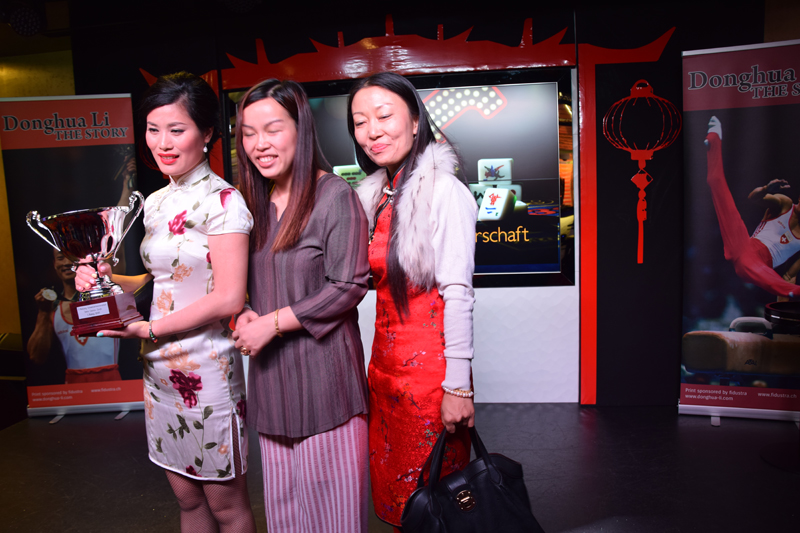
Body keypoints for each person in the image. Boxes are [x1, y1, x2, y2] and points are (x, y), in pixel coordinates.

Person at [75, 72, 256, 533]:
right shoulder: (155, 202)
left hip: (205, 369)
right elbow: (158, 280)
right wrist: (103, 279)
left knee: (226, 506)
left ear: (207, 133)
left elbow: (229, 296)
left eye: (177, 129)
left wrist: (151, 329)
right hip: (158, 369)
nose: (162, 143)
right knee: (187, 500)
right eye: (153, 130)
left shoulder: (225, 201)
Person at [231, 79, 370, 532]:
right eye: (249, 133)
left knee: (334, 521)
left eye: (273, 129)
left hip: (326, 385)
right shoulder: (251, 203)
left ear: (301, 129)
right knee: (285, 520)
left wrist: (270, 323)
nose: (260, 144)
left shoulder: (335, 196)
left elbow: (348, 285)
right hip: (272, 389)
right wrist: (243, 310)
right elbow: (245, 282)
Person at [347, 72, 478, 528]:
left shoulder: (444, 191)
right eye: (360, 122)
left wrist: (457, 387)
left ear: (416, 120)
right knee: (397, 504)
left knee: (435, 505)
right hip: (383, 374)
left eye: (384, 116)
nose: (372, 131)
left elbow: (458, 293)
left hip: (429, 382)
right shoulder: (378, 196)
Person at [705, 116, 800, 299]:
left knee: (782, 285)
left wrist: (786, 300)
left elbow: (789, 276)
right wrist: (766, 189)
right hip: (745, 246)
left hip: (761, 268)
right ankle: (714, 138)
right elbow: (754, 198)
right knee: (717, 185)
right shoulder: (785, 204)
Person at [28, 248, 121, 384]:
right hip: (74, 388)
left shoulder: (108, 296)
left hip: (110, 385)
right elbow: (36, 356)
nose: (66, 263)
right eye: (60, 258)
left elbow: (117, 258)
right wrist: (43, 313)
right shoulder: (53, 308)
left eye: (72, 257)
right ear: (54, 264)